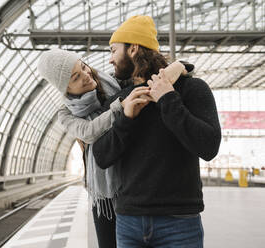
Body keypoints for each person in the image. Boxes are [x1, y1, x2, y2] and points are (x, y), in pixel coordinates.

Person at [37, 48, 193, 248]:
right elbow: (90, 131)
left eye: (84, 67)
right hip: (104, 192)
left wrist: (180, 66)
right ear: (65, 88)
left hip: (132, 179)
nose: (86, 75)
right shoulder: (65, 113)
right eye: (76, 77)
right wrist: (120, 106)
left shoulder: (112, 82)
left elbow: (148, 79)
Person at [91, 15, 222, 248]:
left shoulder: (191, 89)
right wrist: (126, 118)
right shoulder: (121, 100)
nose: (110, 59)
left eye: (113, 50)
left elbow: (209, 146)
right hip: (129, 222)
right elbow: (101, 156)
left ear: (132, 48)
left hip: (179, 223)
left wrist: (169, 99)